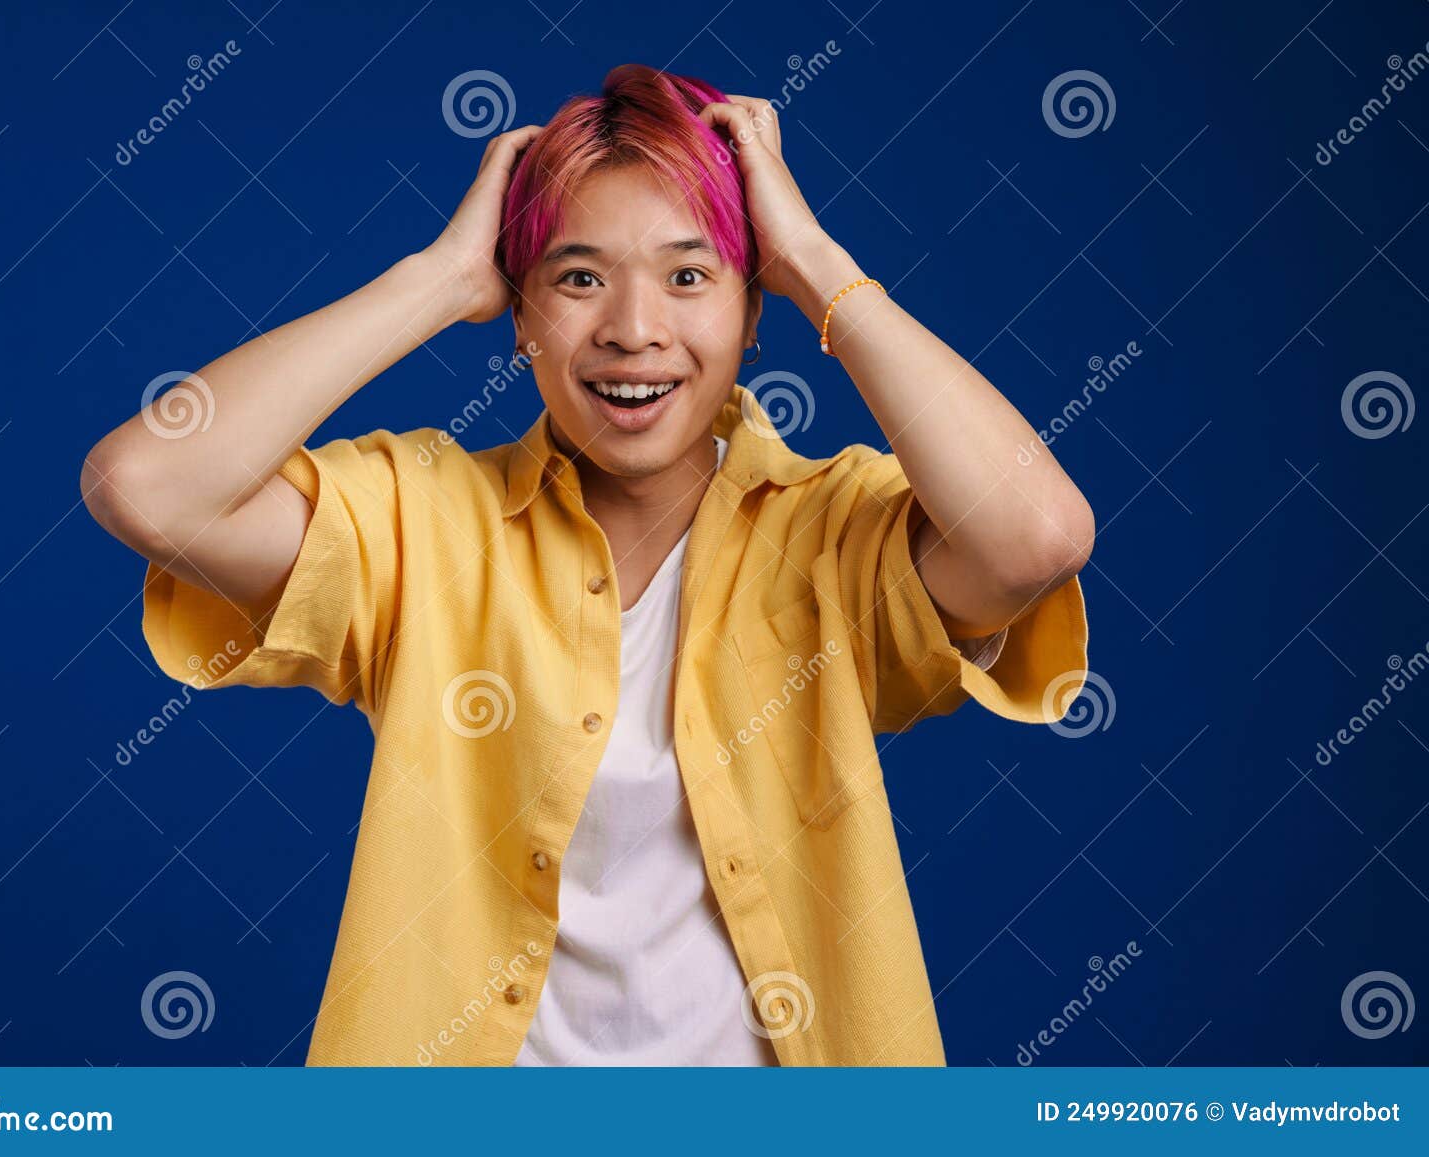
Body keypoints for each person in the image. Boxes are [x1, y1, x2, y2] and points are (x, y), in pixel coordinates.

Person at [80, 63, 1093, 1066]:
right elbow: (147, 486)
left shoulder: (836, 527)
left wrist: (817, 261)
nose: (632, 329)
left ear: (753, 312)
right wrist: (433, 282)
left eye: (689, 275)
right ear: (519, 312)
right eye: (576, 277)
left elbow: (1034, 537)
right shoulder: (423, 520)